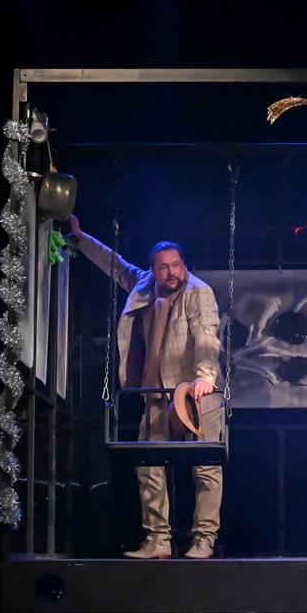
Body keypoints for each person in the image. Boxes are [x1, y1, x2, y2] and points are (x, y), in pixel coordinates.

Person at [69, 214, 223, 559]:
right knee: (149, 464)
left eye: (177, 265)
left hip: (195, 391)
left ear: (184, 265)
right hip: (156, 392)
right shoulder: (143, 284)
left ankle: (204, 539)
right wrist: (80, 238)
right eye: (164, 267)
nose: (172, 273)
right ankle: (158, 540)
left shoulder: (199, 292)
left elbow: (207, 338)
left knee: (205, 467)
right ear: (153, 269)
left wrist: (205, 377)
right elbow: (115, 265)